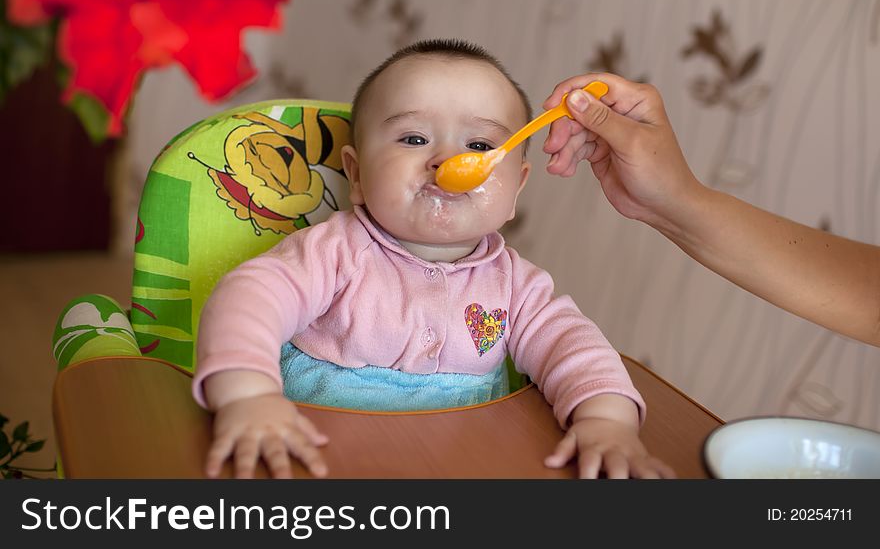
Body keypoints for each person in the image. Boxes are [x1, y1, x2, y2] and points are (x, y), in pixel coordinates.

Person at [192, 40, 675, 480]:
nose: (445, 161)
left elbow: (574, 348)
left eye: (481, 145)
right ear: (356, 175)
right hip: (312, 455)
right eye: (414, 139)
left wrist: (605, 422)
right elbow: (250, 298)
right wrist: (249, 396)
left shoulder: (516, 286)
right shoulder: (332, 253)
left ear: (515, 191)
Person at [542, 72, 880, 347]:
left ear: (522, 180)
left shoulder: (527, 292)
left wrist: (604, 415)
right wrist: (677, 200)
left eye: (487, 146)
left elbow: (579, 360)